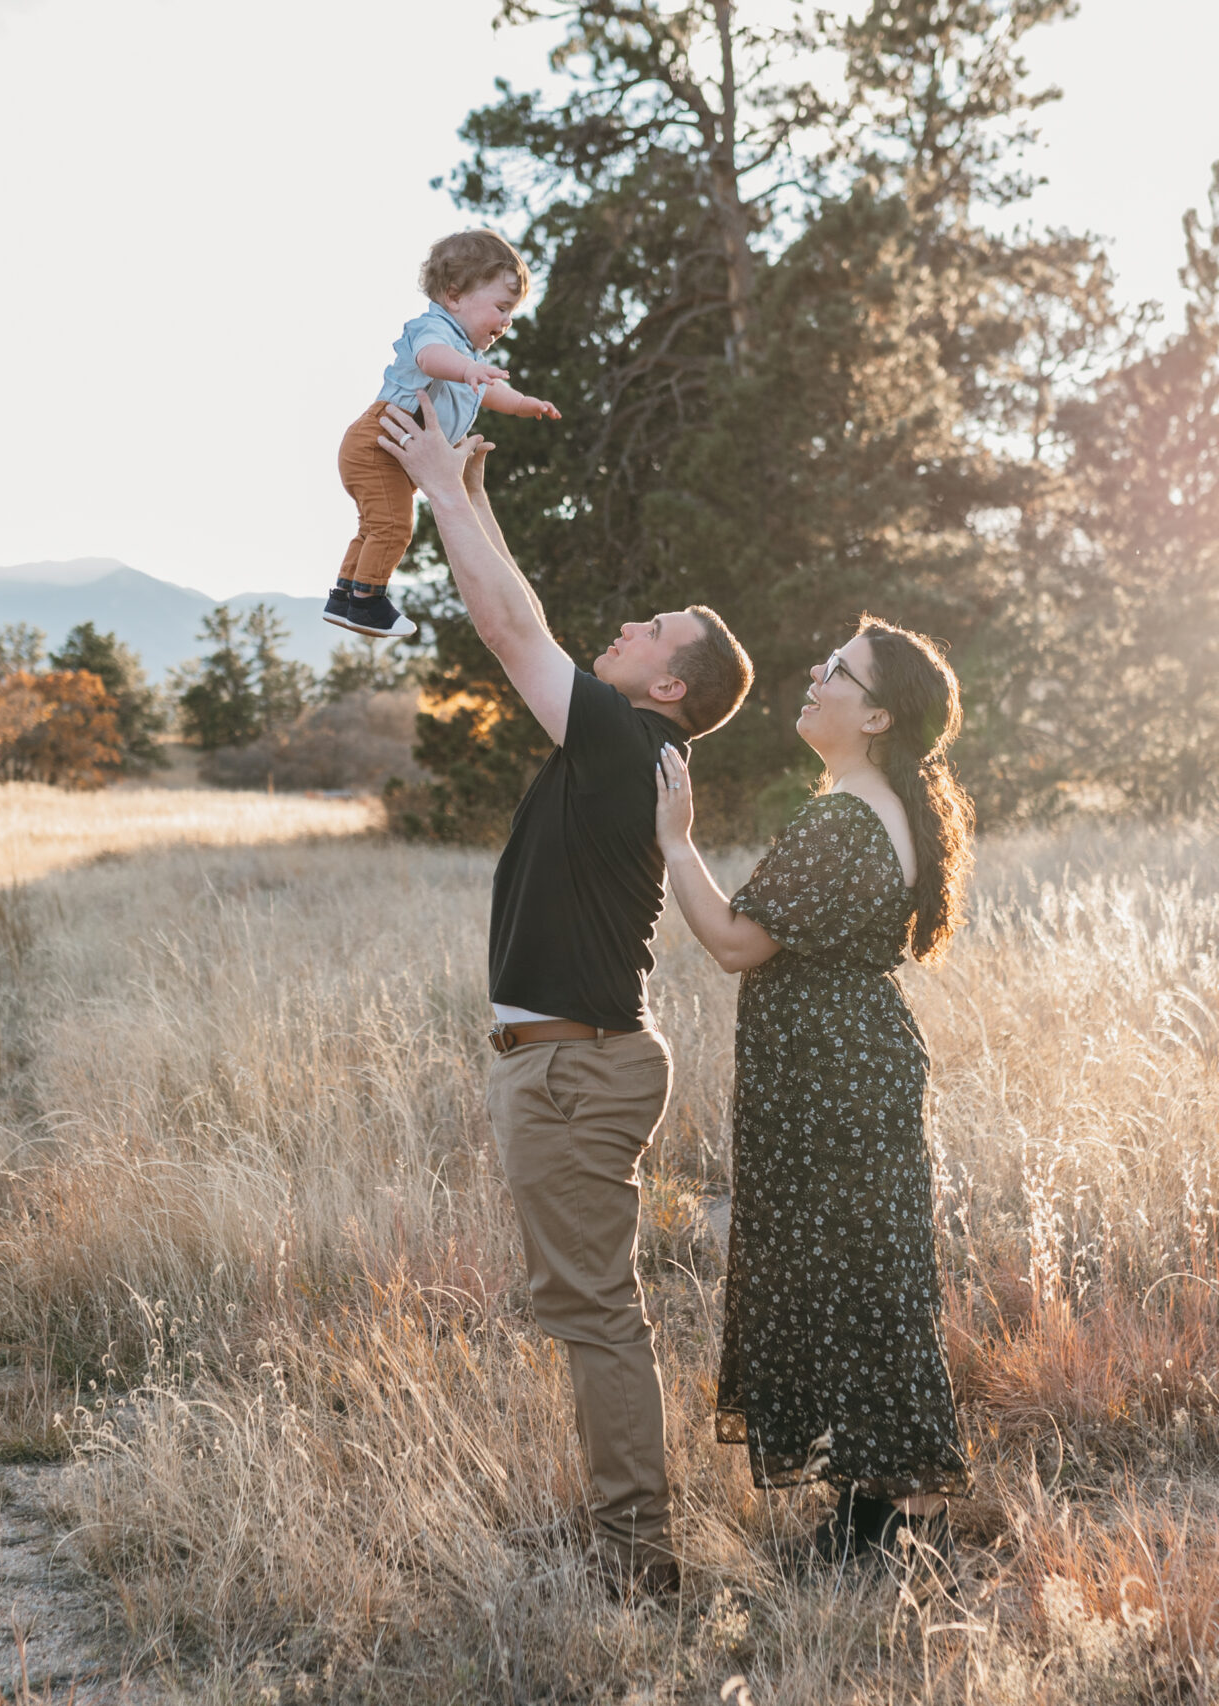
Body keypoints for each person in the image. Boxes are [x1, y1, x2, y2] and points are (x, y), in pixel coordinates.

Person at [377, 396, 755, 1598]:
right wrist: (473, 496)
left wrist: (441, 487)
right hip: (565, 1060)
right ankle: (624, 1528)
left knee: (595, 1312)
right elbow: (520, 613)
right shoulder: (623, 744)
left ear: (672, 687)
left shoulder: (623, 744)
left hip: (578, 1066)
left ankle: (639, 1552)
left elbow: (505, 625)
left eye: (657, 628)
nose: (634, 622)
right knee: (586, 1304)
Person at [651, 616, 975, 1572]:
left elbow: (736, 943)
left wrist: (677, 840)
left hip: (830, 1078)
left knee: (851, 1277)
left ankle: (903, 1518)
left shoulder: (845, 817)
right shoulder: (879, 806)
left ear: (875, 714)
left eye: (837, 671)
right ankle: (878, 1509)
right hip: (851, 1064)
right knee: (865, 1276)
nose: (815, 674)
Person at [326, 230, 562, 641]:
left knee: (373, 527)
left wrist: (521, 402)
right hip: (377, 443)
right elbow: (432, 359)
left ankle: (344, 596)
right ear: (454, 296)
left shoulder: (466, 359)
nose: (506, 322)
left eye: (512, 313)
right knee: (394, 527)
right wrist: (469, 370)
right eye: (502, 308)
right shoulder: (433, 331)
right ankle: (368, 602)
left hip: (387, 449)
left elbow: (486, 389)